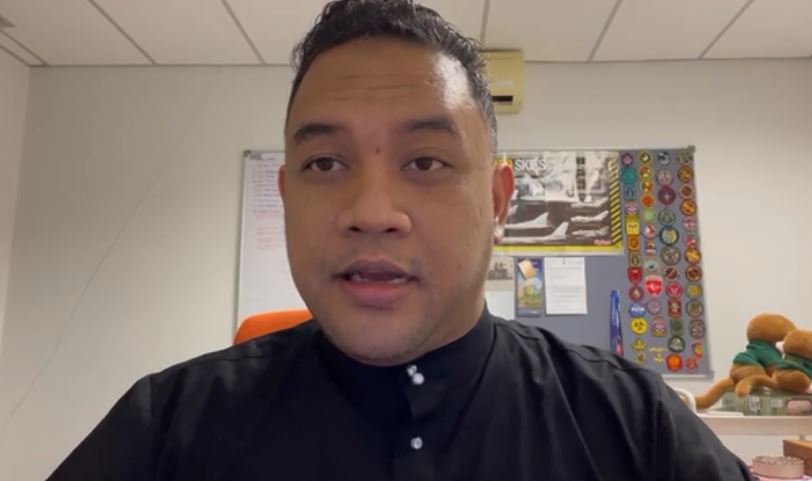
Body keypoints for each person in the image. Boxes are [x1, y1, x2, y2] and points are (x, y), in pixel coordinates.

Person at [49, 0, 753, 479]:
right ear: (287, 196)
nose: (372, 211)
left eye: (425, 162)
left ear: (496, 201)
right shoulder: (166, 428)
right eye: (326, 164)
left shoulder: (633, 426)